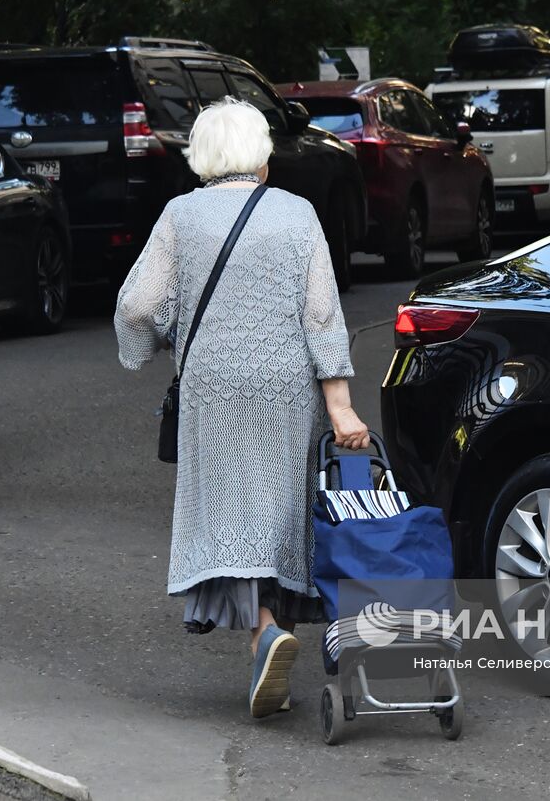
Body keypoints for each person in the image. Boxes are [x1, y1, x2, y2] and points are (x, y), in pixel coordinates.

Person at [115, 97, 370, 719]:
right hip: (286, 381)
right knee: (278, 503)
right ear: (259, 151)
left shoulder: (181, 215)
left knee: (230, 505)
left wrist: (169, 337)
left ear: (202, 153)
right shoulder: (297, 213)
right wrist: (339, 404)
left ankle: (262, 633)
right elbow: (322, 314)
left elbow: (138, 304)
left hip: (214, 383)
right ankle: (267, 629)